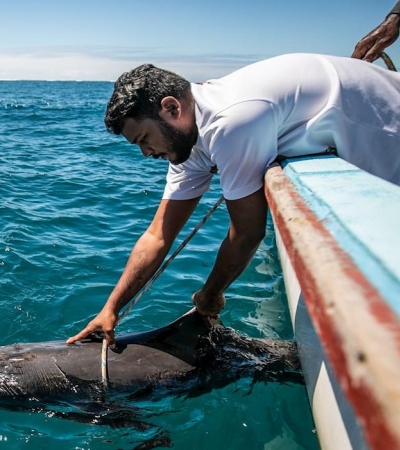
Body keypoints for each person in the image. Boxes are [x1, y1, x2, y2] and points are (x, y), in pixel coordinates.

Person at [66, 53, 400, 348]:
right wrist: (111, 308)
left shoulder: (231, 122)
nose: (145, 153)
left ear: (171, 108)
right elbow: (157, 236)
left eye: (144, 139)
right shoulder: (188, 141)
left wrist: (209, 297)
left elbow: (247, 232)